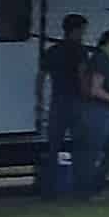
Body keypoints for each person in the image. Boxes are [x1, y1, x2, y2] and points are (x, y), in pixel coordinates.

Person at [72, 27, 109, 197]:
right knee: (92, 152)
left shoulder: (105, 59)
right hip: (95, 111)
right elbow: (95, 90)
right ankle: (84, 191)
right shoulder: (101, 60)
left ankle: (95, 185)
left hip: (104, 110)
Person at [38, 14, 90, 199]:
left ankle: (50, 187)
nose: (84, 33)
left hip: (57, 101)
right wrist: (87, 97)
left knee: (54, 145)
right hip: (75, 101)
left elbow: (41, 76)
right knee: (80, 144)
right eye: (83, 29)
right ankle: (78, 185)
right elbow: (82, 76)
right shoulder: (79, 51)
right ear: (76, 30)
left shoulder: (52, 51)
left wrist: (40, 100)